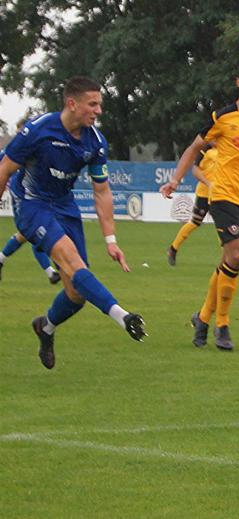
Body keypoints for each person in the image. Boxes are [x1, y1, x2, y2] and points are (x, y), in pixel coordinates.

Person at [0, 76, 147, 369]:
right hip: (32, 204)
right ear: (72, 103)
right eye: (93, 104)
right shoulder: (38, 130)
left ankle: (47, 327)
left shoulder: (96, 142)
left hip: (65, 206)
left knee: (76, 292)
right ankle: (123, 316)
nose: (98, 110)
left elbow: (102, 190)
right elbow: (5, 169)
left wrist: (111, 240)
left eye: (100, 104)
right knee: (72, 263)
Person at [161, 61, 239, 351]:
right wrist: (175, 180)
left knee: (231, 263)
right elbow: (194, 149)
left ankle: (203, 318)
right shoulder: (222, 117)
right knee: (236, 255)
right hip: (223, 195)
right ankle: (223, 325)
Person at [167, 144, 218, 266]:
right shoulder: (204, 151)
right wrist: (208, 183)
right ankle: (173, 248)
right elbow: (195, 170)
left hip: (219, 194)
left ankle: (230, 254)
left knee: (222, 223)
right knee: (195, 222)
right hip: (204, 193)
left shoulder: (227, 149)